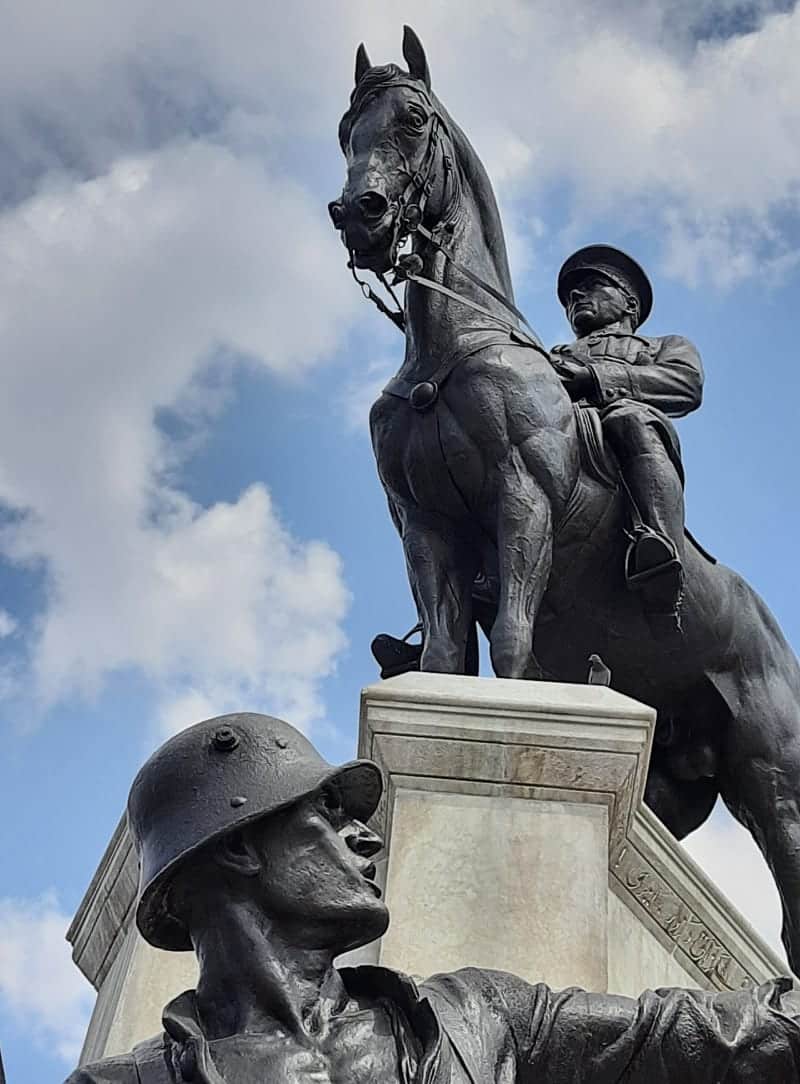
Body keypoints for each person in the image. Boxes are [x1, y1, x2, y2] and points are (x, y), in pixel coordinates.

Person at [66, 712, 800, 1083]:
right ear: (240, 846)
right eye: (328, 815)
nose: (368, 840)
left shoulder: (477, 1018)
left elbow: (710, 1032)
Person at [551, 245, 703, 633]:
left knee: (629, 418)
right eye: (572, 295)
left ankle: (660, 555)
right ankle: (445, 630)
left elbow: (685, 384)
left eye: (592, 286)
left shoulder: (663, 346)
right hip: (560, 434)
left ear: (628, 302)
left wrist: (597, 378)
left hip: (624, 431)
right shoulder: (548, 354)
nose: (576, 297)